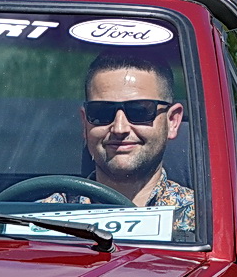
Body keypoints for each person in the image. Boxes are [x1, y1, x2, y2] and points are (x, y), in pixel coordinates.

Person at [43, 52, 195, 239]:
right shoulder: (44, 218)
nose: (119, 128)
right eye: (102, 112)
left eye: (139, 110)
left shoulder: (205, 222)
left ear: (172, 121)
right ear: (85, 124)